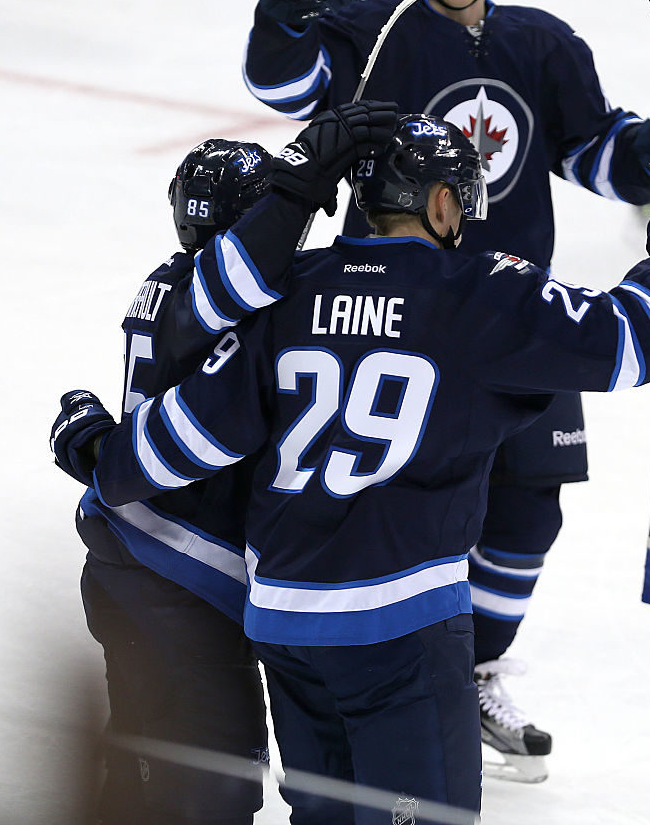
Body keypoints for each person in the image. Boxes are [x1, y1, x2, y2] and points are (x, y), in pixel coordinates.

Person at [50, 112, 650, 825]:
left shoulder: (287, 287)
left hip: (286, 624)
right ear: (442, 203)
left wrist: (97, 455)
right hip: (400, 630)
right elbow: (633, 341)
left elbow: (184, 441)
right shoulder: (477, 291)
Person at [240, 0, 650, 779]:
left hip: (509, 306)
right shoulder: (380, 28)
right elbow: (281, 85)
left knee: (528, 508)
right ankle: (362, 666)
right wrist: (279, 17)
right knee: (389, 498)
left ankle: (470, 671)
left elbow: (596, 155)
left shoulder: (541, 44)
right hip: (397, 303)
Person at [72, 103, 398, 824]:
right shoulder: (214, 296)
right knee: (208, 790)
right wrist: (308, 173)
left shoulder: (182, 285)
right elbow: (250, 277)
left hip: (149, 564)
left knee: (156, 763)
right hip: (170, 578)